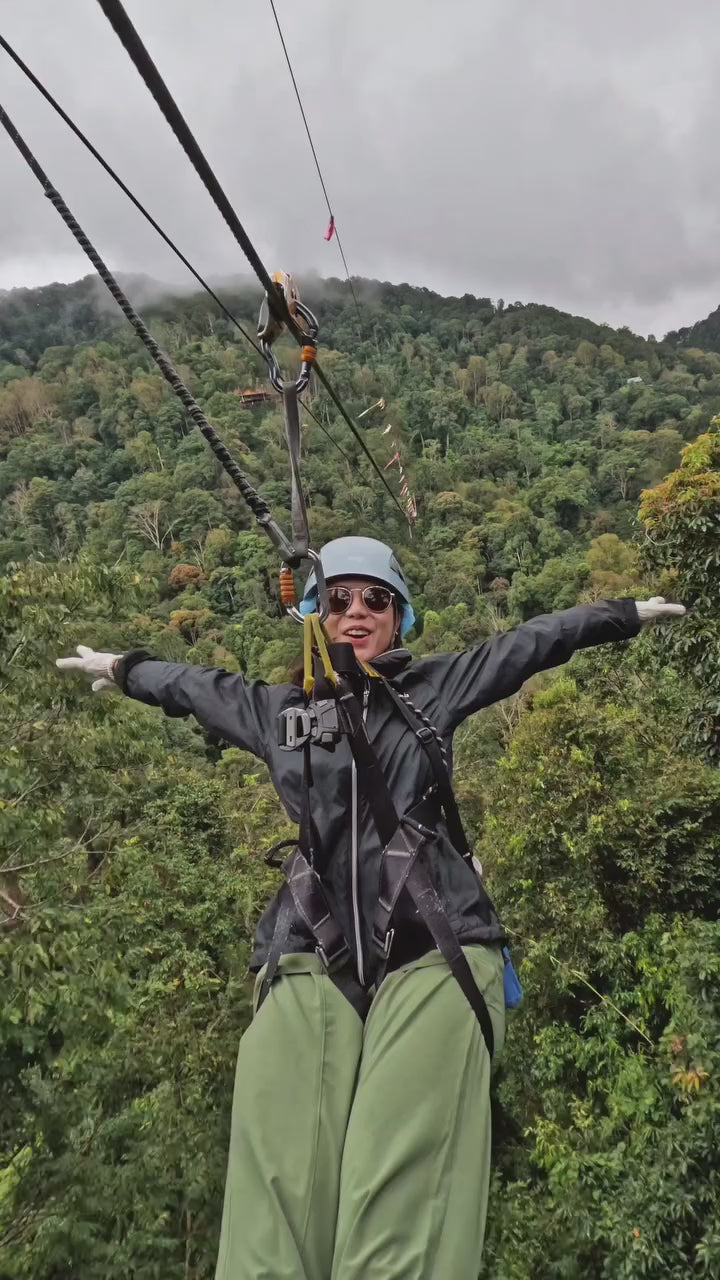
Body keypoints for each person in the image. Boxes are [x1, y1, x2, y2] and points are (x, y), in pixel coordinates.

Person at [56, 536, 685, 1280]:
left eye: (374, 600)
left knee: (395, 1201)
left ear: (397, 618)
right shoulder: (281, 714)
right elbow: (198, 689)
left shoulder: (431, 691)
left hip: (427, 935)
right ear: (315, 616)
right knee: (273, 1202)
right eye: (338, 599)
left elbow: (526, 645)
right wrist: (128, 670)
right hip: (312, 944)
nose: (355, 612)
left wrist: (619, 616)